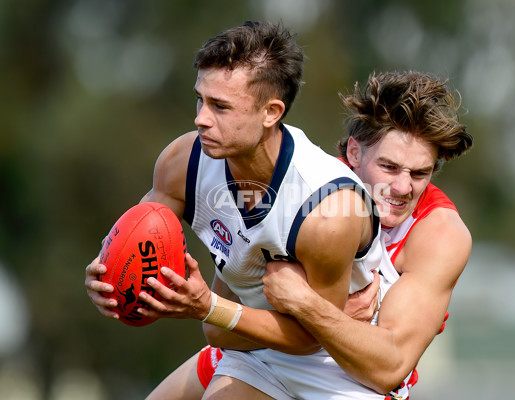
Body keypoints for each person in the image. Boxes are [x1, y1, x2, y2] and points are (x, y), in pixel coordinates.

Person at [85, 20, 400, 399]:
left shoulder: (327, 211)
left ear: (271, 113)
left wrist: (210, 308)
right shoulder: (182, 162)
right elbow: (135, 241)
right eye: (200, 99)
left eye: (220, 106)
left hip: (335, 363)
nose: (201, 117)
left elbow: (308, 340)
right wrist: (107, 278)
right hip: (253, 348)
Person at [145, 70, 474, 399]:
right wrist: (326, 319)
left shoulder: (440, 234)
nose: (402, 187)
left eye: (420, 173)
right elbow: (218, 330)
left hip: (351, 382)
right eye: (388, 167)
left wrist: (307, 307)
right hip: (264, 351)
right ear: (355, 154)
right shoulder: (310, 191)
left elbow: (386, 369)